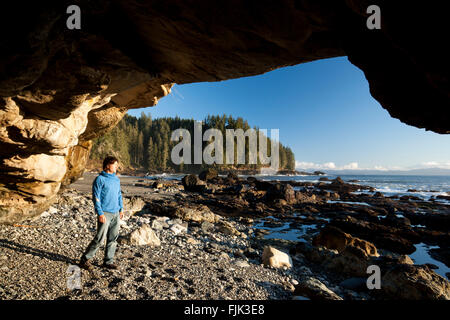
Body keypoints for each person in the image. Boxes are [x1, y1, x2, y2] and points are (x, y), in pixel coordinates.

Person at [79, 156, 124, 270]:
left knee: (113, 238)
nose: (116, 167)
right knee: (100, 238)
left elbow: (119, 195)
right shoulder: (100, 179)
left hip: (115, 213)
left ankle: (108, 261)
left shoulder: (116, 179)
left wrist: (121, 209)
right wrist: (100, 213)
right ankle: (85, 259)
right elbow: (96, 197)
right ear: (108, 165)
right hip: (105, 213)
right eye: (115, 164)